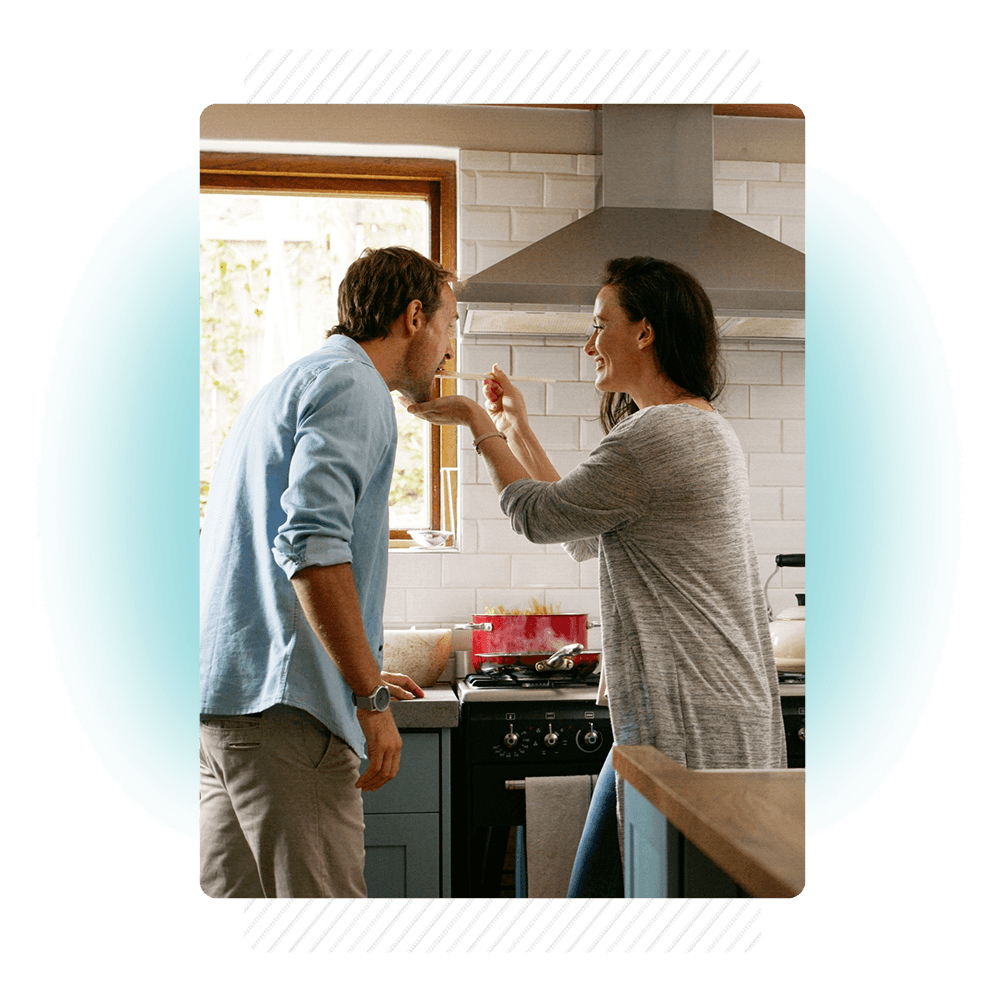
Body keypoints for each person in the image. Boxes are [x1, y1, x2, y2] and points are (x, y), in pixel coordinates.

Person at [408, 256, 786, 898]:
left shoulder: (657, 434)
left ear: (644, 332)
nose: (589, 345)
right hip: (698, 714)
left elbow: (536, 515)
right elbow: (584, 532)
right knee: (601, 888)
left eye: (598, 325)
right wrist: (515, 427)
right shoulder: (698, 426)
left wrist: (476, 425)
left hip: (691, 723)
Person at [199, 246, 457, 899]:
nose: (449, 350)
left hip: (227, 708)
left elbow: (267, 552)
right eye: (449, 326)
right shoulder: (355, 386)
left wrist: (358, 666)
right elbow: (313, 546)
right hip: (289, 718)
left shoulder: (286, 384)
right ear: (413, 315)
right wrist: (368, 697)